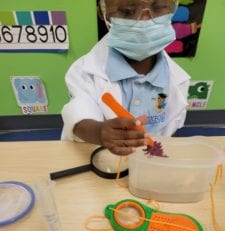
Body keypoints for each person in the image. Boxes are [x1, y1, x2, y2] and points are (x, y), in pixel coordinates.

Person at [61, 0, 190, 156]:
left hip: (148, 165)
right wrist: (100, 132)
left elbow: (170, 130)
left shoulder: (177, 79)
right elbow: (78, 117)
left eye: (158, 8)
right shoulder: (85, 71)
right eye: (127, 11)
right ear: (103, 12)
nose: (144, 21)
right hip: (100, 160)